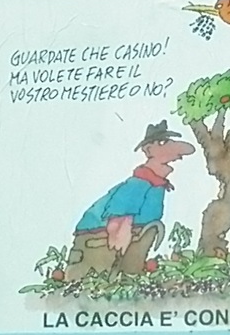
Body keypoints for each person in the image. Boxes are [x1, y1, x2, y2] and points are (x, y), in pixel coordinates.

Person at [65, 120, 195, 280]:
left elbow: (189, 149)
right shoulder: (139, 182)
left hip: (137, 232)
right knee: (100, 270)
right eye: (163, 143)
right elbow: (120, 210)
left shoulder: (156, 184)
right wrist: (119, 230)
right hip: (98, 234)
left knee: (130, 268)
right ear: (149, 150)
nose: (174, 149)